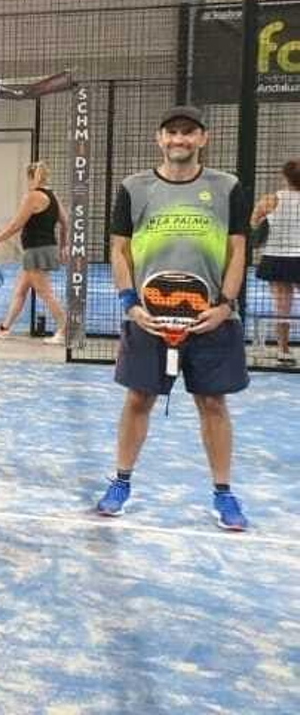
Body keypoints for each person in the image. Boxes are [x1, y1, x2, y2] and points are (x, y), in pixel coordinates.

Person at [95, 106, 251, 531]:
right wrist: (130, 302)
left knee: (213, 404)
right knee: (137, 400)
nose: (179, 139)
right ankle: (121, 483)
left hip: (210, 318)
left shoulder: (228, 187)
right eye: (172, 133)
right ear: (159, 138)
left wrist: (225, 305)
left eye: (189, 133)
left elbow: (238, 249)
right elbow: (120, 250)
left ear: (204, 139)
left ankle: (223, 494)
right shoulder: (133, 187)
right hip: (148, 318)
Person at [0, 162, 69, 344]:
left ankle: (65, 329)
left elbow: (16, 225)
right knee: (21, 290)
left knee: (45, 292)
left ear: (30, 177)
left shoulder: (32, 197)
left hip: (36, 250)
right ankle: (4, 328)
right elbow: (65, 221)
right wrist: (63, 245)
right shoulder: (52, 196)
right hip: (46, 248)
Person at [252, 158, 300, 367]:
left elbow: (253, 225)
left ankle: (283, 350)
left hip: (276, 256)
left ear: (284, 176)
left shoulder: (270, 200)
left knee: (282, 307)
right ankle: (283, 349)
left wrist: (264, 224)